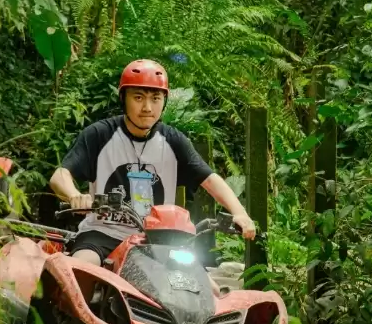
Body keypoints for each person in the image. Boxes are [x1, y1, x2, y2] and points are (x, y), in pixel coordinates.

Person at [49, 59, 255, 266]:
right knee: (82, 266)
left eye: (155, 98)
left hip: (158, 240)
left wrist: (240, 213)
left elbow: (209, 180)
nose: (147, 107)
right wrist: (74, 195)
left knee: (201, 282)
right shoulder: (99, 135)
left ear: (164, 101)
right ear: (123, 98)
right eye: (138, 97)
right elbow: (60, 176)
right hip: (102, 233)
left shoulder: (174, 141)